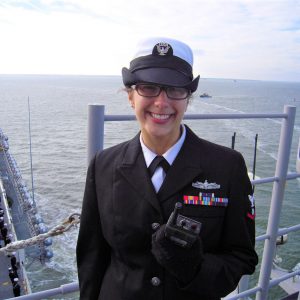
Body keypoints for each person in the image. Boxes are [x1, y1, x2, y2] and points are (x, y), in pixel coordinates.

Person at [76, 37, 258, 300]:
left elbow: (242, 257)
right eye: (149, 88)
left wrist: (193, 267)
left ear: (188, 98)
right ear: (130, 96)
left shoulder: (227, 167)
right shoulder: (103, 165)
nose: (161, 103)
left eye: (175, 90)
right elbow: (92, 258)